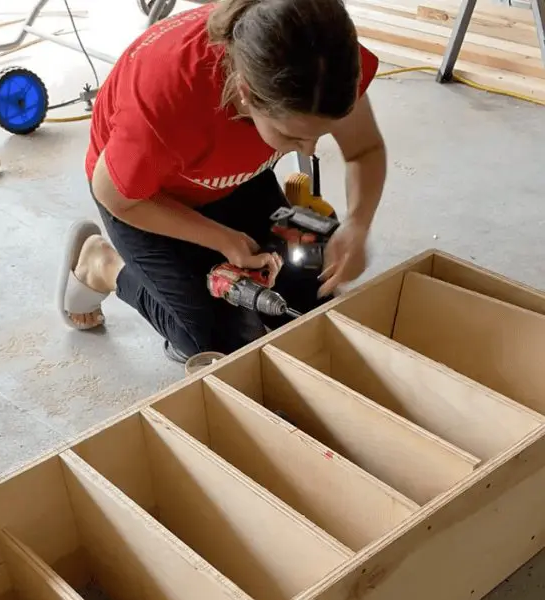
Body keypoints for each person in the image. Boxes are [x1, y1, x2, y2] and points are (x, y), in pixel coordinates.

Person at [58, 0, 387, 364]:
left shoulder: (324, 61)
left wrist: (359, 223)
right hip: (145, 197)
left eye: (320, 133)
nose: (309, 149)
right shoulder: (166, 103)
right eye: (291, 136)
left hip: (234, 176)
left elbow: (365, 150)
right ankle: (103, 264)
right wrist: (221, 239)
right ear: (246, 92)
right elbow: (114, 197)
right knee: (216, 345)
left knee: (315, 289)